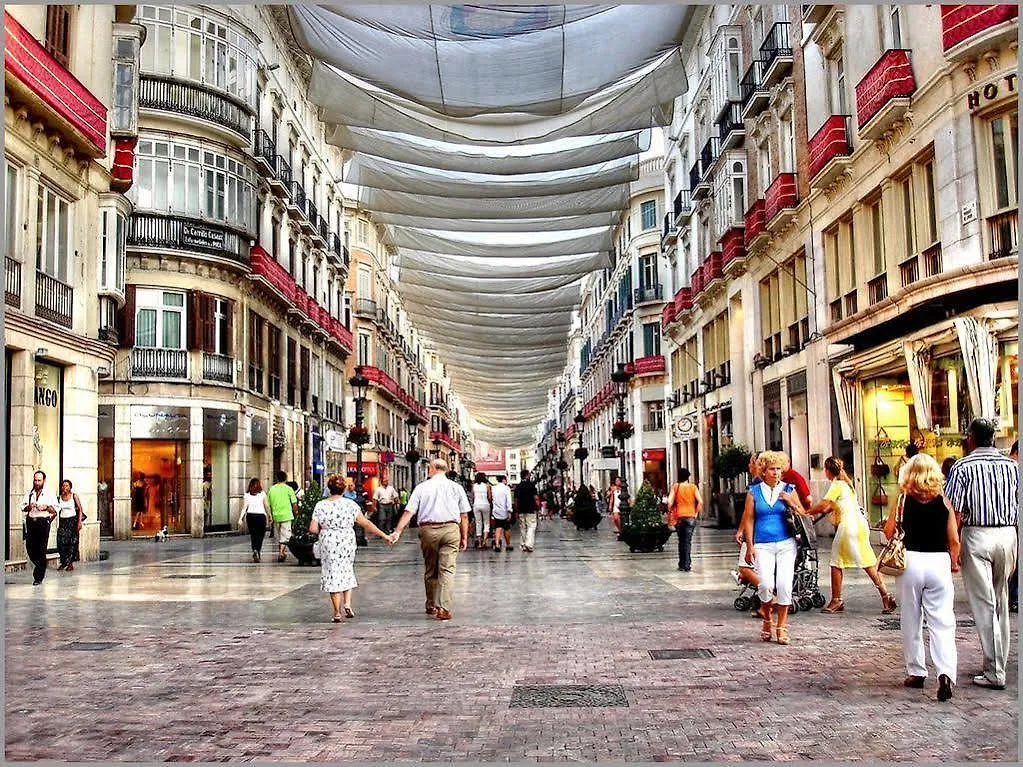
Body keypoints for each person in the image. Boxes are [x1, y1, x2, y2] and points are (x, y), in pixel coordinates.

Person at [944, 417, 1019, 691]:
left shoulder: (964, 466)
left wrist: (953, 547)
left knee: (984, 603)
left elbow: (954, 510)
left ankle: (994, 670)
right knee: (1000, 599)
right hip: (1008, 534)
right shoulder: (1012, 466)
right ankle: (996, 664)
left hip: (977, 534)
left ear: (971, 438)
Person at [883, 453, 960, 702]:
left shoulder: (903, 500)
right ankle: (946, 673)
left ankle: (916, 671)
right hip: (939, 561)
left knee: (911, 617)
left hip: (911, 561)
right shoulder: (943, 501)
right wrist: (954, 562)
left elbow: (888, 532)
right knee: (942, 621)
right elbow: (954, 540)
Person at [806, 457, 896, 614]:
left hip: (848, 528)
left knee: (835, 563)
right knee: (868, 563)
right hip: (860, 526)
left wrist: (805, 512)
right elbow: (833, 507)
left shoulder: (837, 485)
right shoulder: (848, 484)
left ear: (827, 471)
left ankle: (836, 600)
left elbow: (824, 505)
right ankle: (885, 595)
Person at [739, 451, 806, 646]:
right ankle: (767, 619)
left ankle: (782, 626)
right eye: (772, 469)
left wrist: (791, 501)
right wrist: (749, 545)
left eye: (778, 469)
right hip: (762, 544)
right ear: (763, 471)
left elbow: (803, 513)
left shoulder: (789, 489)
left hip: (786, 543)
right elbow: (749, 518)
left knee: (785, 584)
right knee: (766, 584)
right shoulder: (754, 492)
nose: (776, 473)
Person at [392, 459, 470, 620]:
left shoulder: (422, 487)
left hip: (428, 530)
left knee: (430, 569)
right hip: (451, 529)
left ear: (432, 469)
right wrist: (464, 536)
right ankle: (444, 607)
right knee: (447, 570)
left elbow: (409, 511)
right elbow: (464, 515)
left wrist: (397, 531)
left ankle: (431, 604)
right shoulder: (456, 488)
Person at [309, 473, 392, 622]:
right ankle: (347, 603)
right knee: (346, 569)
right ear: (343, 489)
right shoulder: (351, 505)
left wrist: (325, 529)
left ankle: (337, 612)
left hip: (329, 541)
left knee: (332, 573)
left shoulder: (320, 505)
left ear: (329, 488)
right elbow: (366, 523)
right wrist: (385, 536)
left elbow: (313, 529)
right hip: (347, 540)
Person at [23, 471, 59, 585]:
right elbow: (23, 507)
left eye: (39, 480)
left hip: (43, 522)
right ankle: (41, 564)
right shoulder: (30, 492)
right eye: (35, 480)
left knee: (41, 548)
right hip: (31, 522)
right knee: (30, 548)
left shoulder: (49, 493)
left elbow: (56, 509)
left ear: (44, 481)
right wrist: (30, 506)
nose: (37, 482)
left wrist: (46, 507)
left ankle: (38, 576)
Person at [667, 468, 702, 572]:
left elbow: (669, 502)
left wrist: (670, 511)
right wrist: (695, 513)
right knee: (687, 541)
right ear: (688, 477)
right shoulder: (693, 487)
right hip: (691, 516)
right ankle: (686, 564)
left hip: (680, 517)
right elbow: (700, 501)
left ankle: (682, 564)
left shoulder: (676, 487)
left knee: (681, 541)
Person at [267, 471, 298, 563]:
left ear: (277, 479)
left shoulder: (272, 489)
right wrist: (296, 512)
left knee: (279, 536)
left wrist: (270, 515)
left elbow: (268, 504)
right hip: (287, 515)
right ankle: (281, 552)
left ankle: (281, 552)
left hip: (276, 515)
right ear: (285, 479)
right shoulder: (289, 489)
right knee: (285, 535)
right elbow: (294, 503)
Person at [55, 479, 85, 572]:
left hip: (72, 521)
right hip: (63, 521)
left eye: (67, 485)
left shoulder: (74, 496)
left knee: (72, 543)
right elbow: (56, 510)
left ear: (70, 487)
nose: (65, 487)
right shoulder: (59, 498)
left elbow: (80, 509)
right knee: (61, 542)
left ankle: (70, 563)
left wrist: (79, 522)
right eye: (63, 485)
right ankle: (64, 561)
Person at [238, 478, 271, 562]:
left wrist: (240, 519)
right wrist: (270, 515)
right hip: (260, 516)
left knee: (253, 535)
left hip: (250, 516)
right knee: (260, 535)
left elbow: (244, 507)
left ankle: (254, 550)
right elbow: (266, 506)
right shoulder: (263, 494)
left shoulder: (247, 494)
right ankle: (257, 551)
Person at [514, 469, 540, 553]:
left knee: (523, 527)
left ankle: (523, 544)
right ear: (526, 475)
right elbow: (535, 498)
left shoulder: (518, 486)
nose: (530, 476)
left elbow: (516, 500)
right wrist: (538, 507)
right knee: (531, 526)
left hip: (521, 509)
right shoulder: (531, 486)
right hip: (530, 509)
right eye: (529, 475)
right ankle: (528, 544)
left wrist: (516, 510)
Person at [490, 475, 514, 553]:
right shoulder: (506, 488)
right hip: (504, 510)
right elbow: (508, 500)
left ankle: (497, 544)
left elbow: (491, 499)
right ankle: (508, 544)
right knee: (507, 528)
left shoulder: (493, 488)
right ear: (504, 480)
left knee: (498, 526)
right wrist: (509, 511)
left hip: (496, 510)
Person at [470, 473, 492, 549]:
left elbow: (473, 496)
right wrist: (490, 502)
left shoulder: (474, 486)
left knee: (478, 523)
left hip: (476, 505)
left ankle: (479, 542)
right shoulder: (487, 485)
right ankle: (484, 541)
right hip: (485, 504)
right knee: (486, 523)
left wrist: (474, 503)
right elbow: (489, 497)